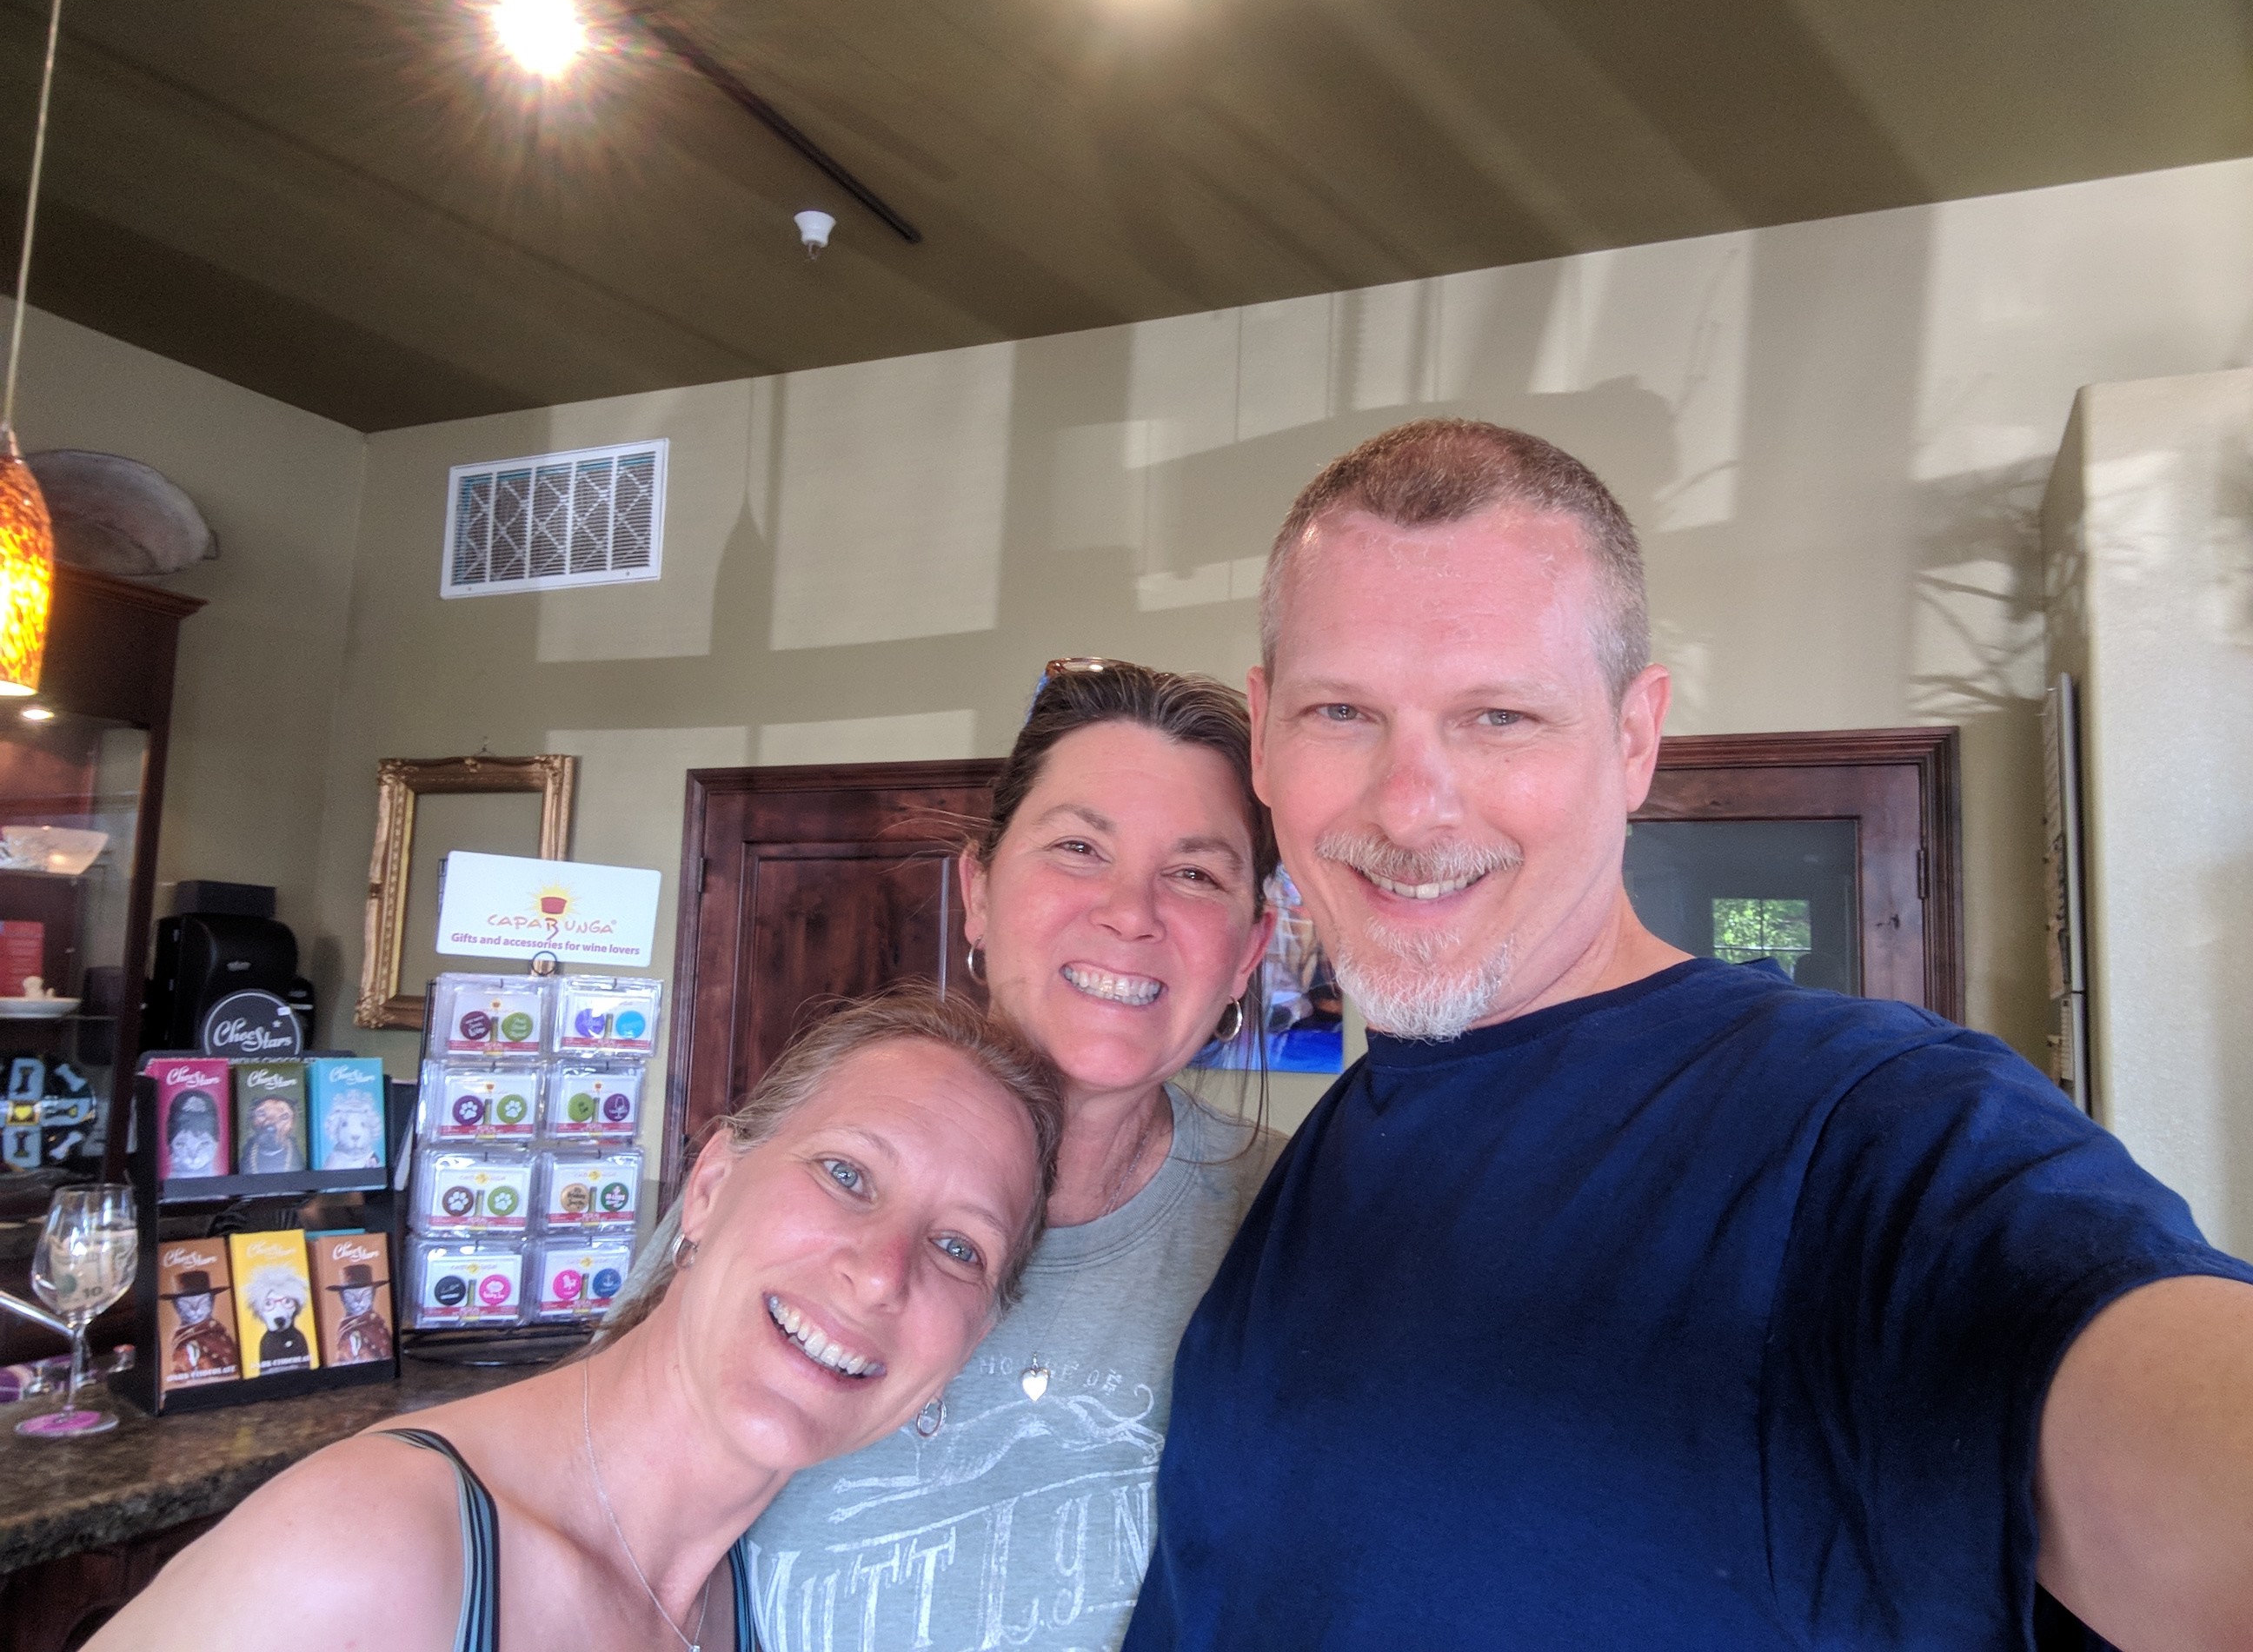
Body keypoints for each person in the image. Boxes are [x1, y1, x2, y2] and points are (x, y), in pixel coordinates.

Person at [1124, 419, 2253, 1650]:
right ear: (1266, 732)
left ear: (1635, 739)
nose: (1409, 806)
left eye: (1500, 716)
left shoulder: (1865, 1127)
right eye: (1342, 710)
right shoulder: (1338, 1140)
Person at [91, 992, 1064, 1652]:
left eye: (960, 1247)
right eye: (846, 1173)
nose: (883, 1274)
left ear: (974, 1339)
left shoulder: (746, 1597)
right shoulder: (373, 1547)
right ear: (712, 1187)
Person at [737, 660, 1284, 1652]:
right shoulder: (787, 1170)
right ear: (978, 891)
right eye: (1079, 848)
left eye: (1196, 874)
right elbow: (600, 1511)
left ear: (1250, 950)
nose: (1131, 912)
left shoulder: (1305, 1221)